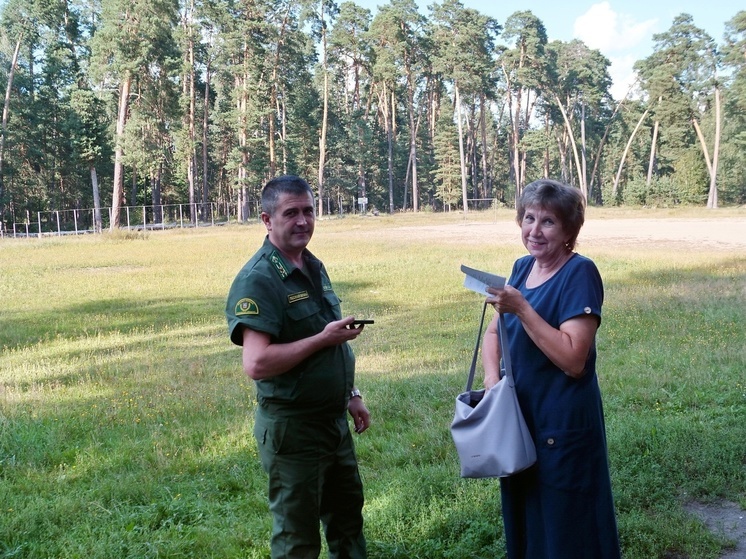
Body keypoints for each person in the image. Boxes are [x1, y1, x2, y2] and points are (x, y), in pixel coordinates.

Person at [225, 175, 370, 559]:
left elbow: (328, 347)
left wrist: (352, 394)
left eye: (309, 211)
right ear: (267, 220)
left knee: (347, 524)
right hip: (293, 431)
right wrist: (323, 338)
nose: (303, 221)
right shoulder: (258, 280)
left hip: (333, 423)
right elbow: (257, 363)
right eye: (291, 213)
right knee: (297, 540)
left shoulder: (310, 264)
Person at [482, 179, 621, 559]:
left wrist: (523, 309)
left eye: (548, 222)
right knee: (526, 517)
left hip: (562, 422)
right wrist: (493, 381)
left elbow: (574, 360)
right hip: (519, 417)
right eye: (529, 218)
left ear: (568, 232)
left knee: (568, 525)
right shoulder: (521, 267)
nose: (534, 230)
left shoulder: (580, 273)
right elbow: (495, 331)